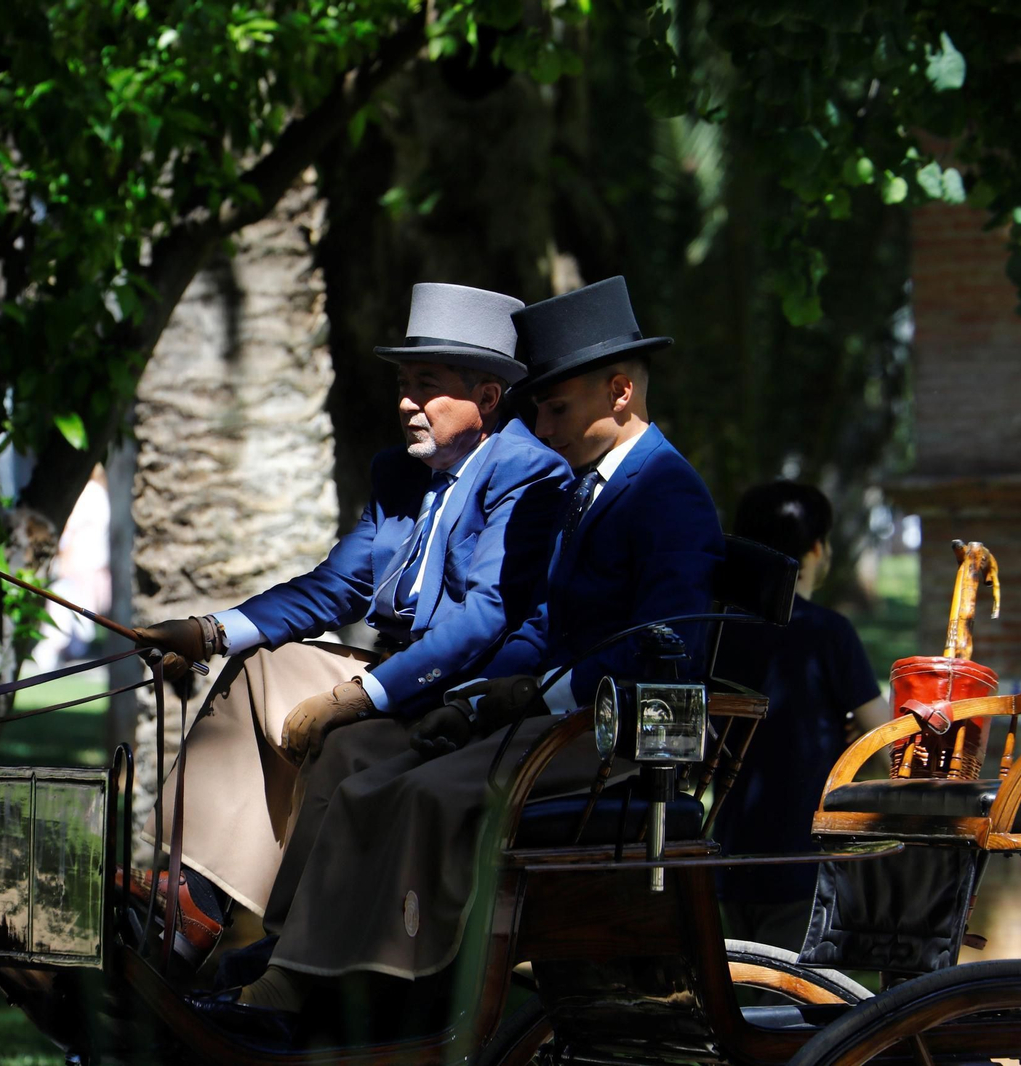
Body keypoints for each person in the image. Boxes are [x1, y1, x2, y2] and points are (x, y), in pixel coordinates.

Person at [194, 276, 725, 1043]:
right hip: (555, 717)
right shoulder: (596, 485)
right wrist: (485, 696)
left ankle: (374, 990)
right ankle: (300, 963)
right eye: (537, 409)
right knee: (369, 769)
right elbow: (542, 622)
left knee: (425, 793)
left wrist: (530, 701)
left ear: (619, 392)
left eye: (556, 409)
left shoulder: (666, 492)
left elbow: (668, 651)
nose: (540, 426)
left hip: (620, 743)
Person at [130, 282, 570, 958]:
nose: (405, 403)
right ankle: (189, 902)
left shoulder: (527, 473)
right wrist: (210, 631)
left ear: (487, 398)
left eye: (427, 387)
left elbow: (486, 619)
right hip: (401, 667)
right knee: (261, 670)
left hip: (472, 688)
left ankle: (282, 945)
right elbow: (336, 587)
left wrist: (358, 695)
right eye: (402, 385)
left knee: (344, 742)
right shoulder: (399, 474)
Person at [713, 481, 891, 951]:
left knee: (739, 1005)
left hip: (728, 860)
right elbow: (888, 737)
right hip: (804, 863)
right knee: (803, 1011)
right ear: (817, 548)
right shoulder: (828, 633)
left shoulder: (713, 634)